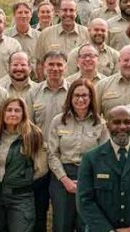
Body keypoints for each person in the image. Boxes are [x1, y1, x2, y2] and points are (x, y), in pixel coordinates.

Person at [46, 79, 108, 232]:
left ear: (91, 97)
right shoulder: (58, 121)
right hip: (62, 176)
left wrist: (87, 180)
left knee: (85, 224)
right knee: (62, 224)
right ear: (70, 98)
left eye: (85, 95)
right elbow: (52, 154)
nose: (80, 99)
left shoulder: (100, 123)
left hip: (90, 176)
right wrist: (65, 180)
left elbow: (104, 156)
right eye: (76, 95)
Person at [0, 97, 47, 232]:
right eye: (9, 110)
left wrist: (22, 180)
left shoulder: (33, 135)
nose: (13, 114)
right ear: (2, 112)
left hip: (21, 199)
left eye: (17, 110)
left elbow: (41, 169)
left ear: (23, 113)